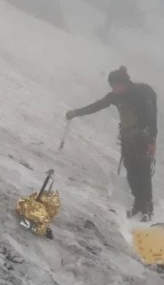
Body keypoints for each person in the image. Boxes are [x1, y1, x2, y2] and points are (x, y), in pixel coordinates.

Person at [65, 66, 157, 221]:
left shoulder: (140, 95)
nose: (113, 89)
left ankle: (147, 208)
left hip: (143, 139)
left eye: (115, 86)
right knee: (131, 172)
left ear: (124, 84)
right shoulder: (116, 96)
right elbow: (98, 105)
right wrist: (76, 113)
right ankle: (138, 204)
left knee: (143, 173)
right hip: (128, 140)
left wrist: (151, 141)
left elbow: (151, 119)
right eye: (111, 86)